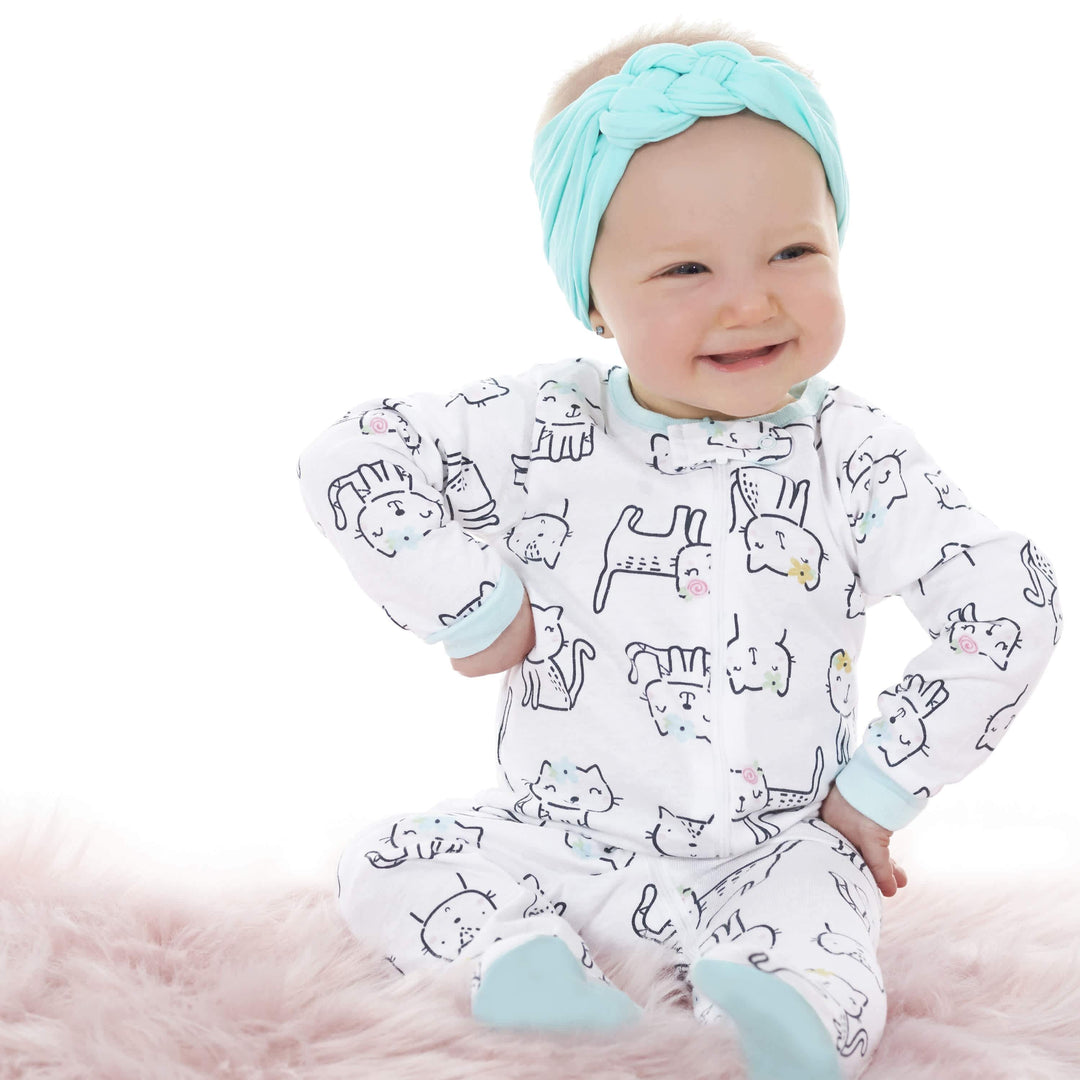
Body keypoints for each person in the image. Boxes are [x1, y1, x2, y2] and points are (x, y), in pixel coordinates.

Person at [296, 20, 1062, 1080]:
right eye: (686, 267)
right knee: (385, 863)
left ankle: (777, 1022)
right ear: (593, 299)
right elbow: (350, 454)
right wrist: (471, 605)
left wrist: (882, 787)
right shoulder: (538, 427)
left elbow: (1010, 601)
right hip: (557, 837)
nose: (750, 299)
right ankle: (524, 968)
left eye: (794, 252)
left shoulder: (852, 452)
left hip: (776, 849)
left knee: (828, 937)